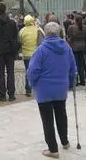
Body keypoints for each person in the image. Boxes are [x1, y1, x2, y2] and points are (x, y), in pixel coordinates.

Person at [27, 22, 77, 159]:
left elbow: (32, 71)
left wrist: (32, 83)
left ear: (45, 33)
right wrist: (72, 81)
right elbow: (73, 67)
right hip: (61, 88)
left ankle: (53, 149)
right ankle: (65, 141)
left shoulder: (41, 50)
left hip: (44, 90)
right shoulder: (66, 47)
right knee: (61, 114)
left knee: (47, 119)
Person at [0, 2, 19, 102]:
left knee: (0, 72)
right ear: (5, 9)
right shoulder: (12, 22)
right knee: (11, 72)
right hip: (10, 50)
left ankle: (2, 94)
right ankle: (11, 94)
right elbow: (16, 37)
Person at [19, 15, 42, 96]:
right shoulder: (37, 29)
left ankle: (28, 90)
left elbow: (19, 42)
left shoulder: (22, 31)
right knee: (38, 71)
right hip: (36, 54)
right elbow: (40, 42)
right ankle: (38, 88)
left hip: (26, 55)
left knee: (28, 71)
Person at [67, 15, 86, 85]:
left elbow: (70, 38)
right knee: (81, 64)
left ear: (75, 20)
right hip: (83, 47)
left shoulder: (71, 27)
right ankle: (82, 80)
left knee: (75, 64)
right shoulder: (85, 27)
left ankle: (75, 81)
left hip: (74, 47)